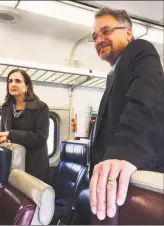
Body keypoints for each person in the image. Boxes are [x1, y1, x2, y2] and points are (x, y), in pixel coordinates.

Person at [72, 7, 164, 221]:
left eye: (106, 31)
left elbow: (145, 102)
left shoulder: (141, 51)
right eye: (95, 36)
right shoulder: (113, 75)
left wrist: (125, 151)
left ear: (128, 33)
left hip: (133, 181)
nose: (99, 39)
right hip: (112, 183)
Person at [0, 69, 50, 183]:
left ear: (27, 86)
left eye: (18, 81)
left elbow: (41, 138)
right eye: (10, 81)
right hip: (13, 162)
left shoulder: (40, 107)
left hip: (34, 164)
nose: (13, 84)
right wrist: (3, 138)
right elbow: (3, 131)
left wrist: (10, 134)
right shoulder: (6, 107)